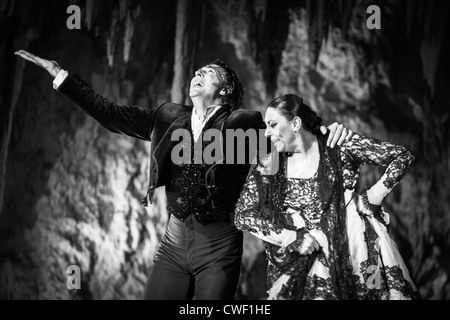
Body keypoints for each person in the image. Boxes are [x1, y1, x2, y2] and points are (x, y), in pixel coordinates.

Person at [15, 50, 351, 300]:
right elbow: (111, 114)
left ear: (225, 93)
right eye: (198, 70)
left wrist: (325, 131)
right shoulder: (168, 116)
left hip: (219, 248)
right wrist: (62, 78)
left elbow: (287, 136)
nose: (198, 72)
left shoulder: (242, 122)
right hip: (173, 245)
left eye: (210, 72)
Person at [234, 94, 418, 300]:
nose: (267, 133)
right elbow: (243, 215)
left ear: (295, 123)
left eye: (273, 124)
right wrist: (291, 237)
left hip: (357, 257)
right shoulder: (271, 164)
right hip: (305, 268)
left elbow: (402, 156)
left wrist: (374, 195)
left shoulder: (337, 144)